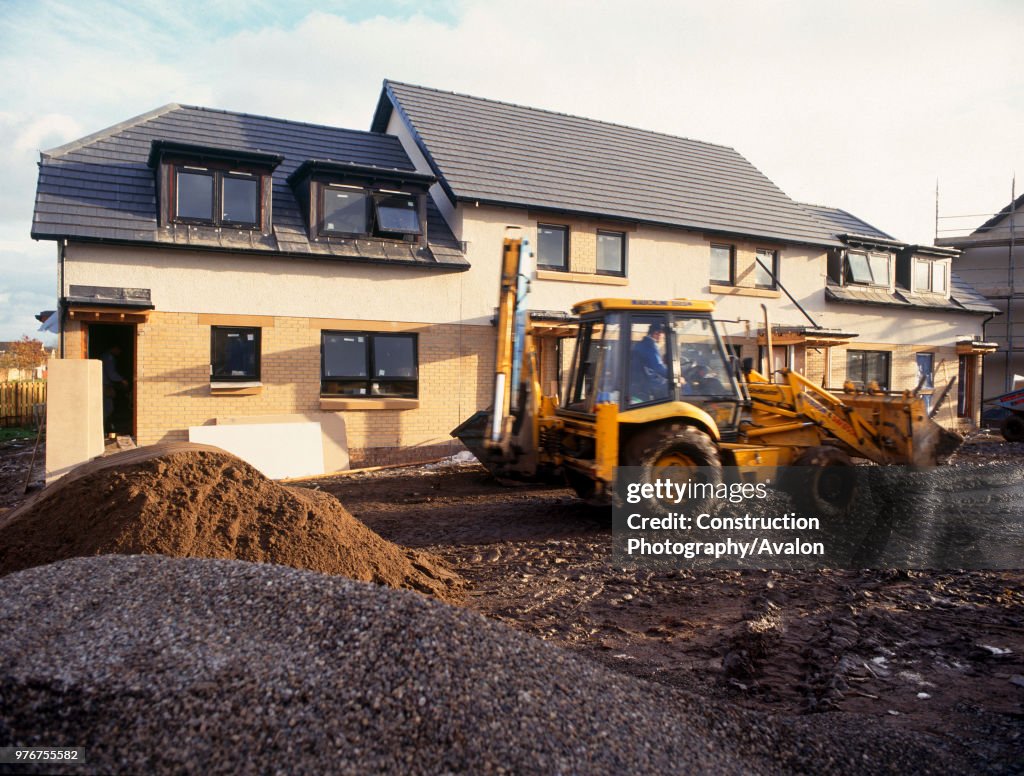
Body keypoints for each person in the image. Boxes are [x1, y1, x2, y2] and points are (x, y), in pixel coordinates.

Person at [631, 322, 670, 402]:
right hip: (644, 384)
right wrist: (673, 375)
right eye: (663, 334)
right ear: (657, 333)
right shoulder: (650, 346)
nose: (663, 337)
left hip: (639, 381)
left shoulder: (642, 344)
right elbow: (658, 367)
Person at [101, 345, 128, 435]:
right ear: (114, 348)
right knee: (107, 409)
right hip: (105, 386)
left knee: (107, 408)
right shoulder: (108, 357)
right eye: (119, 350)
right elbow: (111, 374)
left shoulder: (107, 356)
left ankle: (106, 429)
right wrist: (122, 380)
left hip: (106, 385)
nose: (119, 353)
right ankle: (105, 431)